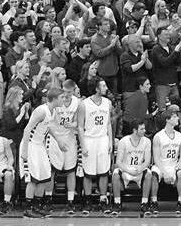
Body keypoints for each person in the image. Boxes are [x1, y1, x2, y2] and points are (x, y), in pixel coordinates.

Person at [20, 88, 63, 218]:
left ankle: (37, 206)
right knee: (33, 178)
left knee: (45, 177)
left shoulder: (53, 111)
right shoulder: (41, 110)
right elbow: (27, 130)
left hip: (40, 146)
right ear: (54, 99)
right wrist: (24, 151)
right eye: (61, 97)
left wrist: (59, 141)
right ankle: (28, 209)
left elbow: (48, 127)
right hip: (31, 145)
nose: (63, 99)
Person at [77, 79, 114, 213]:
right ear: (96, 89)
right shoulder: (84, 104)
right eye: (103, 85)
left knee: (104, 171)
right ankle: (87, 201)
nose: (106, 87)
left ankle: (103, 199)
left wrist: (110, 141)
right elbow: (80, 127)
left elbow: (109, 123)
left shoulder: (108, 103)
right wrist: (83, 145)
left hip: (103, 139)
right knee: (88, 172)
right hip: (89, 139)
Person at [49, 82, 80, 213]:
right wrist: (57, 138)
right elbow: (48, 123)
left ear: (73, 91)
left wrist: (73, 125)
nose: (66, 95)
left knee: (71, 170)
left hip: (70, 139)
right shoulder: (57, 101)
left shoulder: (78, 103)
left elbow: (80, 122)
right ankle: (48, 199)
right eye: (64, 91)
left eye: (69, 92)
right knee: (52, 171)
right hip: (56, 138)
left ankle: (70, 201)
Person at [149, 106, 181, 214]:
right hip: (161, 164)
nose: (177, 119)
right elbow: (156, 158)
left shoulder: (180, 136)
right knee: (154, 173)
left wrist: (179, 164)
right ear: (167, 120)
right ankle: (154, 202)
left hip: (174, 163)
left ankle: (180, 201)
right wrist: (165, 172)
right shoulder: (158, 136)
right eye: (174, 117)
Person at [111, 120, 153, 215]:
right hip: (126, 169)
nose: (144, 130)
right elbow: (118, 162)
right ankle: (117, 203)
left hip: (139, 169)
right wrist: (128, 170)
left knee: (149, 174)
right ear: (135, 130)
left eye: (144, 128)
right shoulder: (123, 141)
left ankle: (144, 203)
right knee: (115, 174)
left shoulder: (147, 141)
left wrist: (140, 169)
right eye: (141, 129)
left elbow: (147, 161)